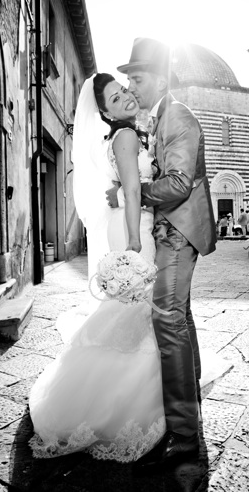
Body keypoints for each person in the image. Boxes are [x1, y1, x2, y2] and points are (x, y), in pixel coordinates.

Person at [27, 73, 165, 462]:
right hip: (134, 229)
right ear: (103, 111)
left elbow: (125, 185)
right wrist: (137, 243)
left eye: (123, 91)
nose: (124, 98)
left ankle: (110, 394)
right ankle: (123, 403)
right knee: (135, 311)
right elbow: (134, 189)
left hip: (129, 222)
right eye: (114, 98)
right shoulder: (125, 137)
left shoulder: (120, 136)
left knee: (129, 310)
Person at [107, 37, 217, 471]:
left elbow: (177, 183)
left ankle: (185, 435)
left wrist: (131, 193)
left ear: (159, 79)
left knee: (166, 319)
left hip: (178, 230)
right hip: (169, 228)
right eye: (127, 78)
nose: (130, 85)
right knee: (180, 315)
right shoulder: (158, 118)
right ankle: (190, 396)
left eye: (136, 77)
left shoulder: (179, 118)